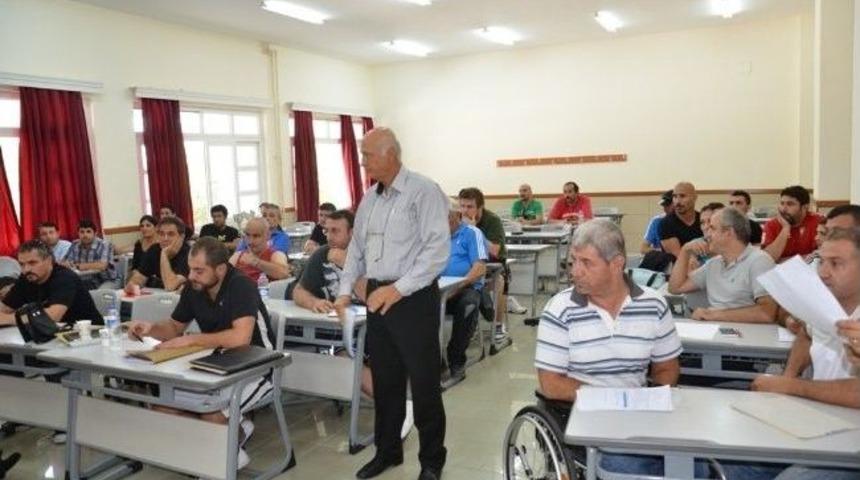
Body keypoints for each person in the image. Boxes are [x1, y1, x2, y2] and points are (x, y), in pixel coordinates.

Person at [537, 219, 782, 479]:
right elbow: (551, 384)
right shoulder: (559, 309)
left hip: (638, 415)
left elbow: (667, 368)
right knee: (631, 466)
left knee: (694, 462)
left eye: (586, 263)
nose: (575, 271)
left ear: (617, 264)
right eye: (573, 261)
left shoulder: (653, 305)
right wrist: (613, 399)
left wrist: (650, 401)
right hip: (582, 416)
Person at [334, 127, 449, 480]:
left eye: (367, 154)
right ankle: (388, 451)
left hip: (412, 298)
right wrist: (342, 292)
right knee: (386, 382)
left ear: (391, 154)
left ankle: (431, 461)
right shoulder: (370, 198)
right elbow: (356, 250)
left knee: (424, 383)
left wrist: (397, 289)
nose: (362, 160)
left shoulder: (423, 191)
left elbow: (436, 252)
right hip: (376, 295)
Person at [126, 237, 276, 471]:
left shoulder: (241, 285)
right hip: (215, 364)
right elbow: (175, 327)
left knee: (209, 410)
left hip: (258, 365)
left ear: (220, 268)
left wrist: (193, 339)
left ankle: (225, 462)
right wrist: (151, 328)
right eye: (190, 269)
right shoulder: (194, 288)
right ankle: (232, 435)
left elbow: (241, 338)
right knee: (162, 410)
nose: (192, 276)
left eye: (199, 270)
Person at [753, 227, 860, 480]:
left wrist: (791, 385)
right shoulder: (825, 302)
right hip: (819, 420)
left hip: (850, 443)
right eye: (822, 261)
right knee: (735, 463)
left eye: (836, 263)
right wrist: (788, 376)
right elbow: (807, 332)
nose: (823, 272)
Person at [668, 207, 778, 323]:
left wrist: (713, 315)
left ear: (728, 233)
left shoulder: (759, 261)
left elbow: (767, 313)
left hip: (746, 335)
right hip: (714, 331)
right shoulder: (714, 264)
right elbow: (675, 288)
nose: (707, 234)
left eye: (712, 228)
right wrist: (685, 252)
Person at [0, 240, 103, 327]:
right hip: (51, 334)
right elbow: (5, 308)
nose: (26, 269)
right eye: (22, 264)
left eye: (32, 263)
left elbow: (53, 316)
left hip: (87, 334)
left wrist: (8, 319)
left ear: (49, 261)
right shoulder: (26, 278)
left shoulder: (64, 277)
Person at [459, 187, 525, 317]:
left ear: (480, 207)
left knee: (499, 281)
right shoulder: (458, 220)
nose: (465, 211)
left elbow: (495, 250)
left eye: (470, 207)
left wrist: (475, 231)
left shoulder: (492, 220)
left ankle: (499, 325)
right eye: (462, 206)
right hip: (469, 263)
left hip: (494, 264)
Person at [440, 204, 487, 386]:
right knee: (418, 308)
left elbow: (479, 267)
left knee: (468, 306)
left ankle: (456, 360)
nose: (445, 223)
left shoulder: (471, 233)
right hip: (439, 290)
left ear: (457, 217)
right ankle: (436, 362)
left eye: (449, 219)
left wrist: (458, 286)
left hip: (465, 288)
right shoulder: (435, 236)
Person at [124, 217, 190, 292]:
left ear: (181, 237)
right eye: (161, 234)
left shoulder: (189, 253)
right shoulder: (154, 250)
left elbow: (170, 286)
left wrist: (164, 254)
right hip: (157, 297)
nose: (165, 238)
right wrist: (133, 284)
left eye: (171, 234)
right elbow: (139, 279)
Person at [762, 185, 821, 262]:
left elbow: (823, 254)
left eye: (790, 204)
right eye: (782, 203)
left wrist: (784, 260)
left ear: (805, 207)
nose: (784, 209)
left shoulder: (818, 222)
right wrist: (786, 228)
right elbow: (767, 259)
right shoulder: (771, 225)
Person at [229, 218, 290, 282]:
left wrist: (256, 262)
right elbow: (224, 276)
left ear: (267, 235)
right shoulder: (238, 256)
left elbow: (283, 273)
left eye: (256, 236)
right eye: (247, 235)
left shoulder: (276, 254)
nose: (250, 241)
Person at [61, 219, 115, 290]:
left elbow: (102, 265)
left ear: (95, 233)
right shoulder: (75, 244)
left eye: (88, 232)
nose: (85, 235)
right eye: (82, 232)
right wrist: (66, 264)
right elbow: (65, 262)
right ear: (78, 233)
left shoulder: (104, 245)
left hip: (106, 280)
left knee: (99, 295)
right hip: (84, 281)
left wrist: (78, 266)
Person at [659, 181, 703, 258]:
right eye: (675, 197)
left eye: (682, 196)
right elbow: (679, 257)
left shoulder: (703, 219)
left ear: (694, 197)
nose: (677, 202)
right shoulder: (666, 223)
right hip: (677, 268)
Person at [640, 190, 674, 254]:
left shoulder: (685, 222)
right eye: (664, 206)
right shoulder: (657, 221)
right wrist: (662, 251)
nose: (665, 209)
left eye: (668, 205)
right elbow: (643, 248)